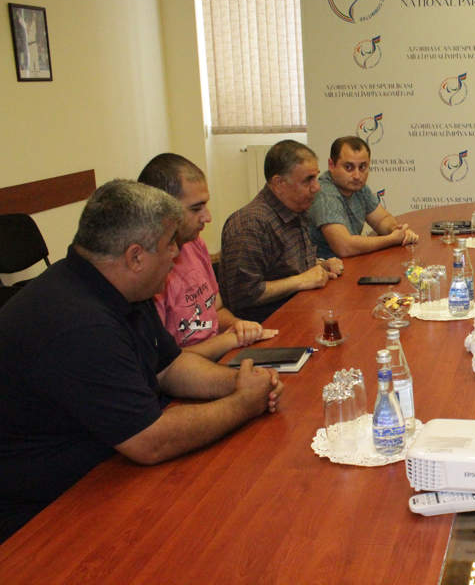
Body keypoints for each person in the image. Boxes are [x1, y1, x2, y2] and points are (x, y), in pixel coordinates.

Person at [0, 180, 283, 543]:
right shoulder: (78, 323)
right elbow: (150, 441)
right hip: (44, 516)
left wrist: (240, 381)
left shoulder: (122, 289)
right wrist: (243, 403)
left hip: (110, 468)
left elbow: (170, 366)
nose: (176, 255)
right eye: (169, 246)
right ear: (135, 257)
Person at [138, 153, 278, 360]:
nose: (208, 217)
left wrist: (237, 326)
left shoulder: (194, 243)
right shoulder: (149, 270)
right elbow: (165, 364)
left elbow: (215, 311)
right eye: (196, 208)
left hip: (220, 354)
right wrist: (229, 340)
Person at [220, 140, 344, 322]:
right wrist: (301, 280)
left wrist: (320, 264)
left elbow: (284, 267)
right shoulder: (249, 225)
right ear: (279, 183)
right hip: (267, 326)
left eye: (316, 177)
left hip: (301, 312)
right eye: (308, 180)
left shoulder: (296, 208)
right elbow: (243, 295)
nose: (317, 187)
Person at [307, 136, 418, 258]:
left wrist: (396, 230)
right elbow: (344, 247)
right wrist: (392, 239)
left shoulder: (359, 188)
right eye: (348, 167)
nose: (357, 176)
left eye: (362, 167)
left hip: (351, 261)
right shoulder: (324, 193)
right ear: (331, 165)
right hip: (327, 266)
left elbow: (381, 220)